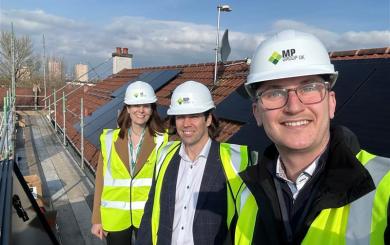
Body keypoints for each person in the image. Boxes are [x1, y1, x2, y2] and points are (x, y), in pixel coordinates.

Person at [234, 29, 390, 244]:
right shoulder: (245, 193)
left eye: (309, 88)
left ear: (331, 103)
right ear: (257, 113)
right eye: (274, 93)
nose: (294, 107)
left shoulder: (385, 187)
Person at [137, 80, 254, 245]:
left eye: (194, 116)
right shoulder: (165, 155)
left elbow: (246, 226)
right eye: (180, 117)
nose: (186, 124)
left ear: (208, 119)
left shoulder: (236, 162)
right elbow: (150, 210)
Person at [91, 81, 168, 244]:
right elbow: (100, 181)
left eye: (146, 105)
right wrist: (97, 218)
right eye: (135, 105)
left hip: (148, 216)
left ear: (152, 109)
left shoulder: (162, 141)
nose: (141, 110)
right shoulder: (108, 140)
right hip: (115, 217)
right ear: (127, 108)